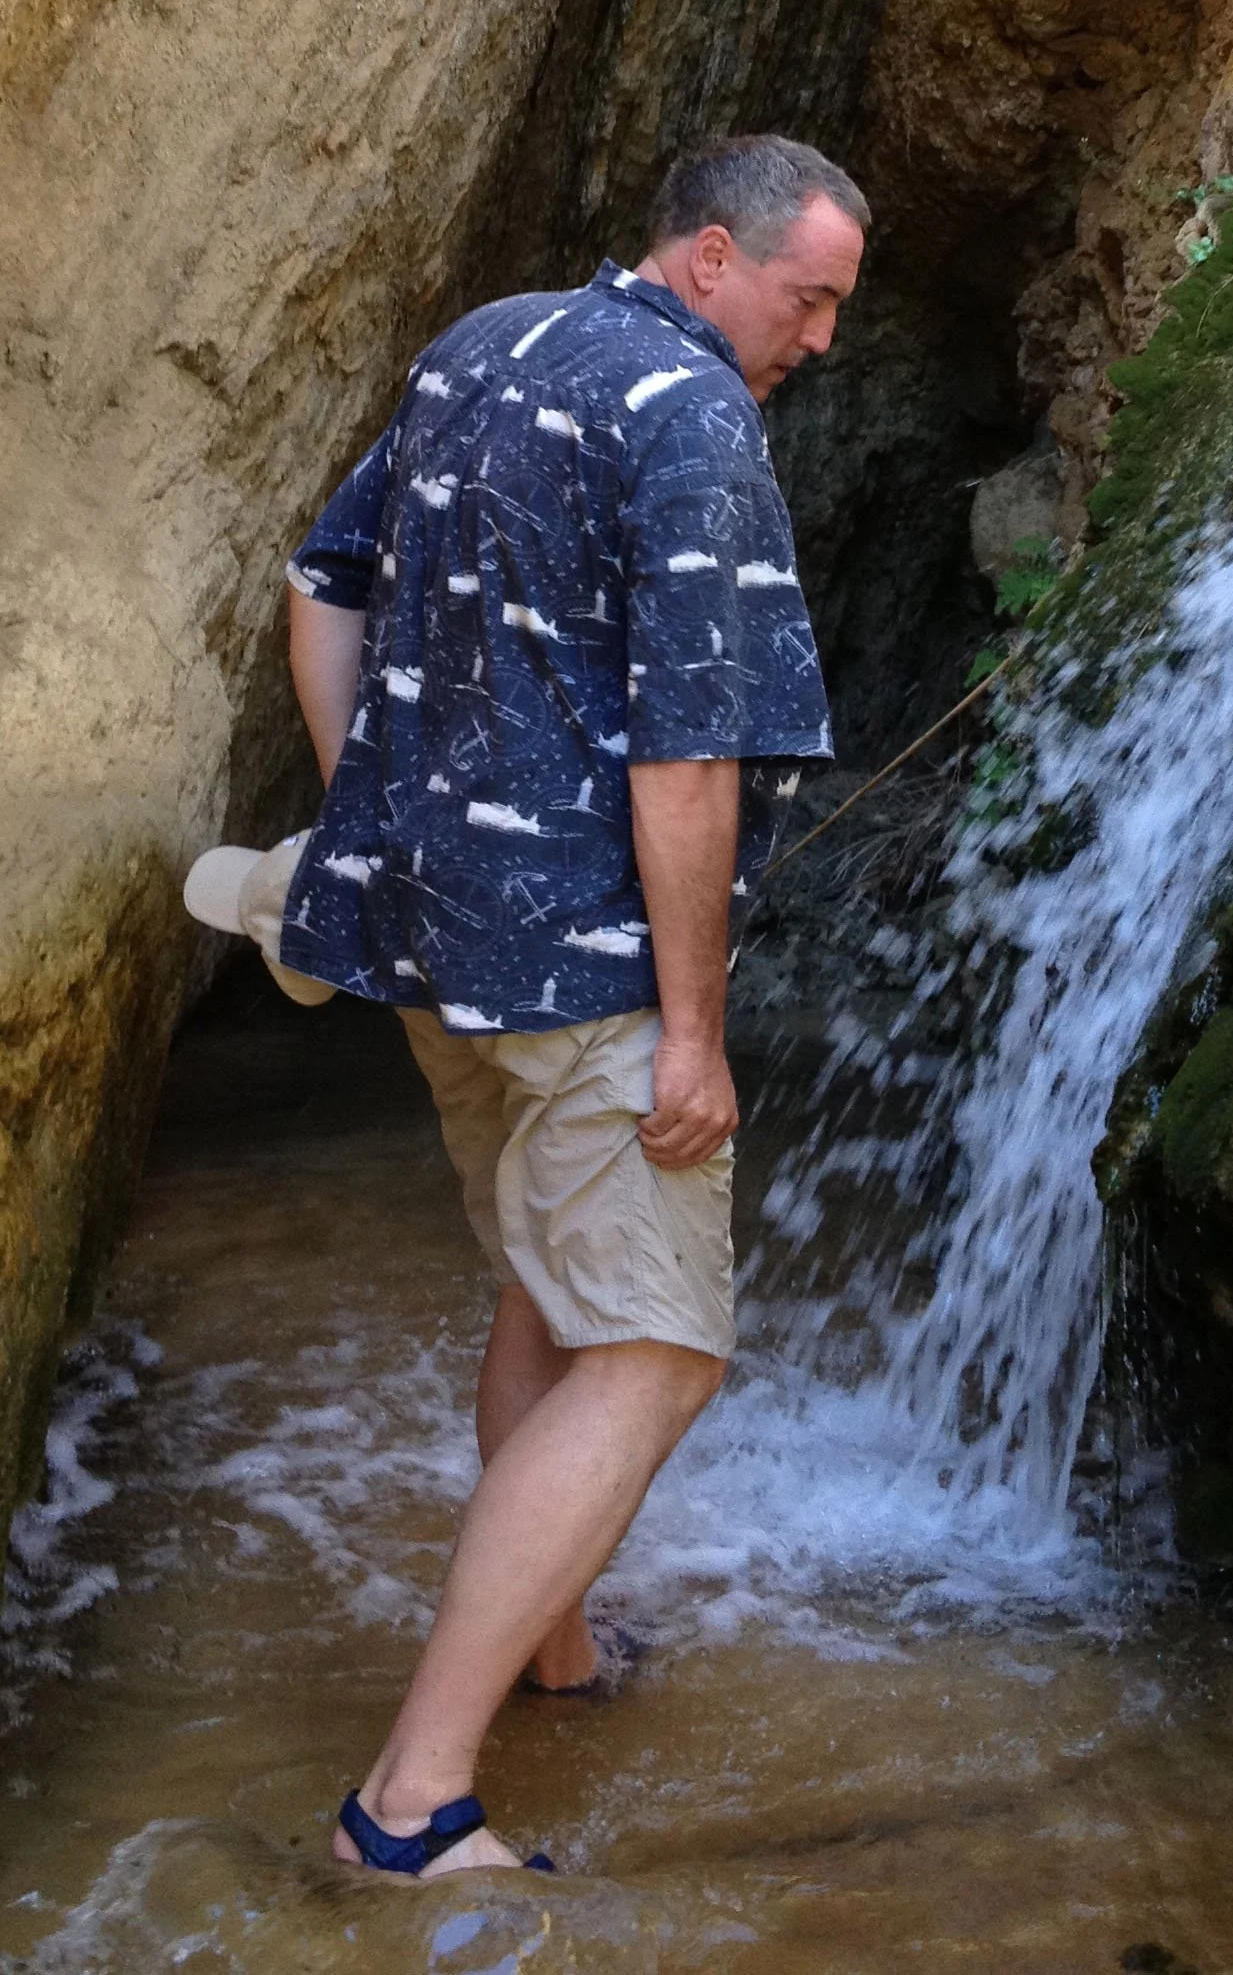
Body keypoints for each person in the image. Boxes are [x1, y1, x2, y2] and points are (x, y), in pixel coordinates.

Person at [185, 133, 867, 1876]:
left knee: (549, 1292)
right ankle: (411, 1803)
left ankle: (556, 1646)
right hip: (587, 973)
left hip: (439, 950)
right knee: (656, 1356)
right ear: (711, 257)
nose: (820, 338)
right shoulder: (691, 414)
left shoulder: (485, 340)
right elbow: (686, 755)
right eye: (808, 297)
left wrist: (375, 820)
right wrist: (693, 1034)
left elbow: (320, 583)